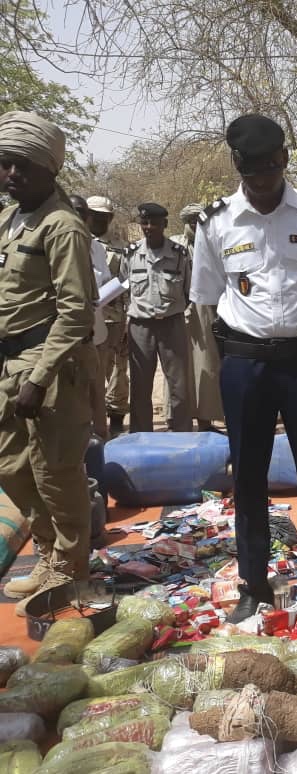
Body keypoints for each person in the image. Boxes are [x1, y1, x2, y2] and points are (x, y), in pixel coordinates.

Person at [191, 114, 297, 622]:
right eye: (251, 172)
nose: (262, 181)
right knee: (250, 476)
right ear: (237, 167)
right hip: (246, 365)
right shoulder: (216, 224)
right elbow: (206, 297)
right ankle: (253, 584)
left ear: (284, 159)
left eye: (270, 168)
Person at [0, 112, 96, 616]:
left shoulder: (62, 227)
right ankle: (47, 549)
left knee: (55, 470)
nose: (12, 174)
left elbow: (76, 312)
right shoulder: (8, 220)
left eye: (24, 166)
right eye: (6, 164)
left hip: (48, 365)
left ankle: (71, 569)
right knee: (12, 466)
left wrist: (39, 377)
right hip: (8, 361)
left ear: (50, 170)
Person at [120, 203, 193, 433]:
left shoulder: (180, 255)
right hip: (140, 327)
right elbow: (124, 290)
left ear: (165, 225)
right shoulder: (130, 254)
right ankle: (141, 436)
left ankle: (182, 435)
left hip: (172, 324)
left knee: (179, 385)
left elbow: (189, 291)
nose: (149, 227)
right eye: (145, 223)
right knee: (140, 386)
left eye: (154, 223)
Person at [171, 202, 223, 432]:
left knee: (206, 363)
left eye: (198, 219)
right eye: (190, 220)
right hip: (178, 310)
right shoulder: (174, 245)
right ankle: (177, 420)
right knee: (178, 366)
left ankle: (205, 419)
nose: (194, 224)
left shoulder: (214, 242)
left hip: (206, 309)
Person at [69, 194, 113, 439]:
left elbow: (103, 279)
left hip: (96, 328)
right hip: (66, 332)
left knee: (97, 387)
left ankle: (101, 438)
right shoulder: (54, 241)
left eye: (81, 213)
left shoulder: (95, 246)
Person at [86, 195, 130, 436]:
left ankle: (116, 415)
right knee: (94, 373)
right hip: (93, 318)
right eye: (98, 216)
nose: (102, 221)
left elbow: (128, 283)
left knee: (119, 371)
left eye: (106, 217)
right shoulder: (80, 242)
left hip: (117, 318)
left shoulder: (122, 247)